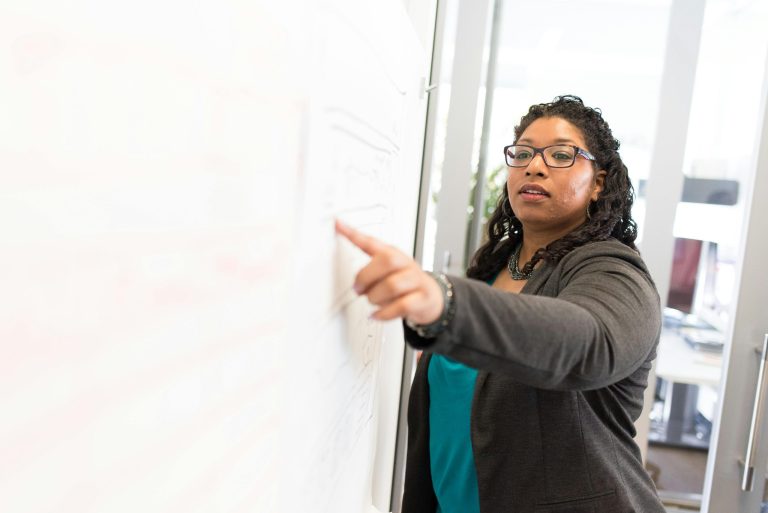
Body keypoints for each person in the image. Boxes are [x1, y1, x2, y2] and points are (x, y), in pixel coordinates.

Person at [336, 95, 665, 513]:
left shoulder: (614, 271)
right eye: (523, 153)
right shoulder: (491, 269)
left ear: (599, 182)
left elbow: (589, 342)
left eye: (561, 154)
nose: (535, 165)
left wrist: (446, 301)